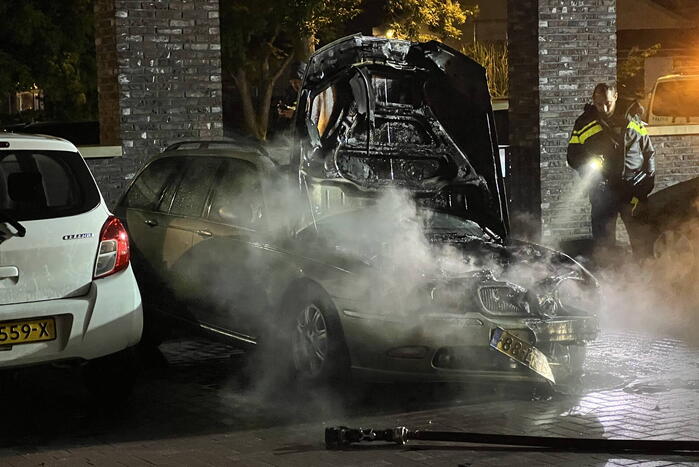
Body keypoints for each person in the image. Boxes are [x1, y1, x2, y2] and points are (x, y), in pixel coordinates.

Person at [567, 83, 656, 258]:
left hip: (632, 190)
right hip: (603, 192)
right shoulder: (583, 123)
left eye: (608, 102)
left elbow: (648, 153)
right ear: (594, 101)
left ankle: (647, 278)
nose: (604, 108)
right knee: (604, 245)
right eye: (599, 104)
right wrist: (589, 167)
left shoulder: (633, 118)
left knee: (642, 241)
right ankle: (608, 280)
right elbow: (572, 156)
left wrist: (645, 187)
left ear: (615, 96)